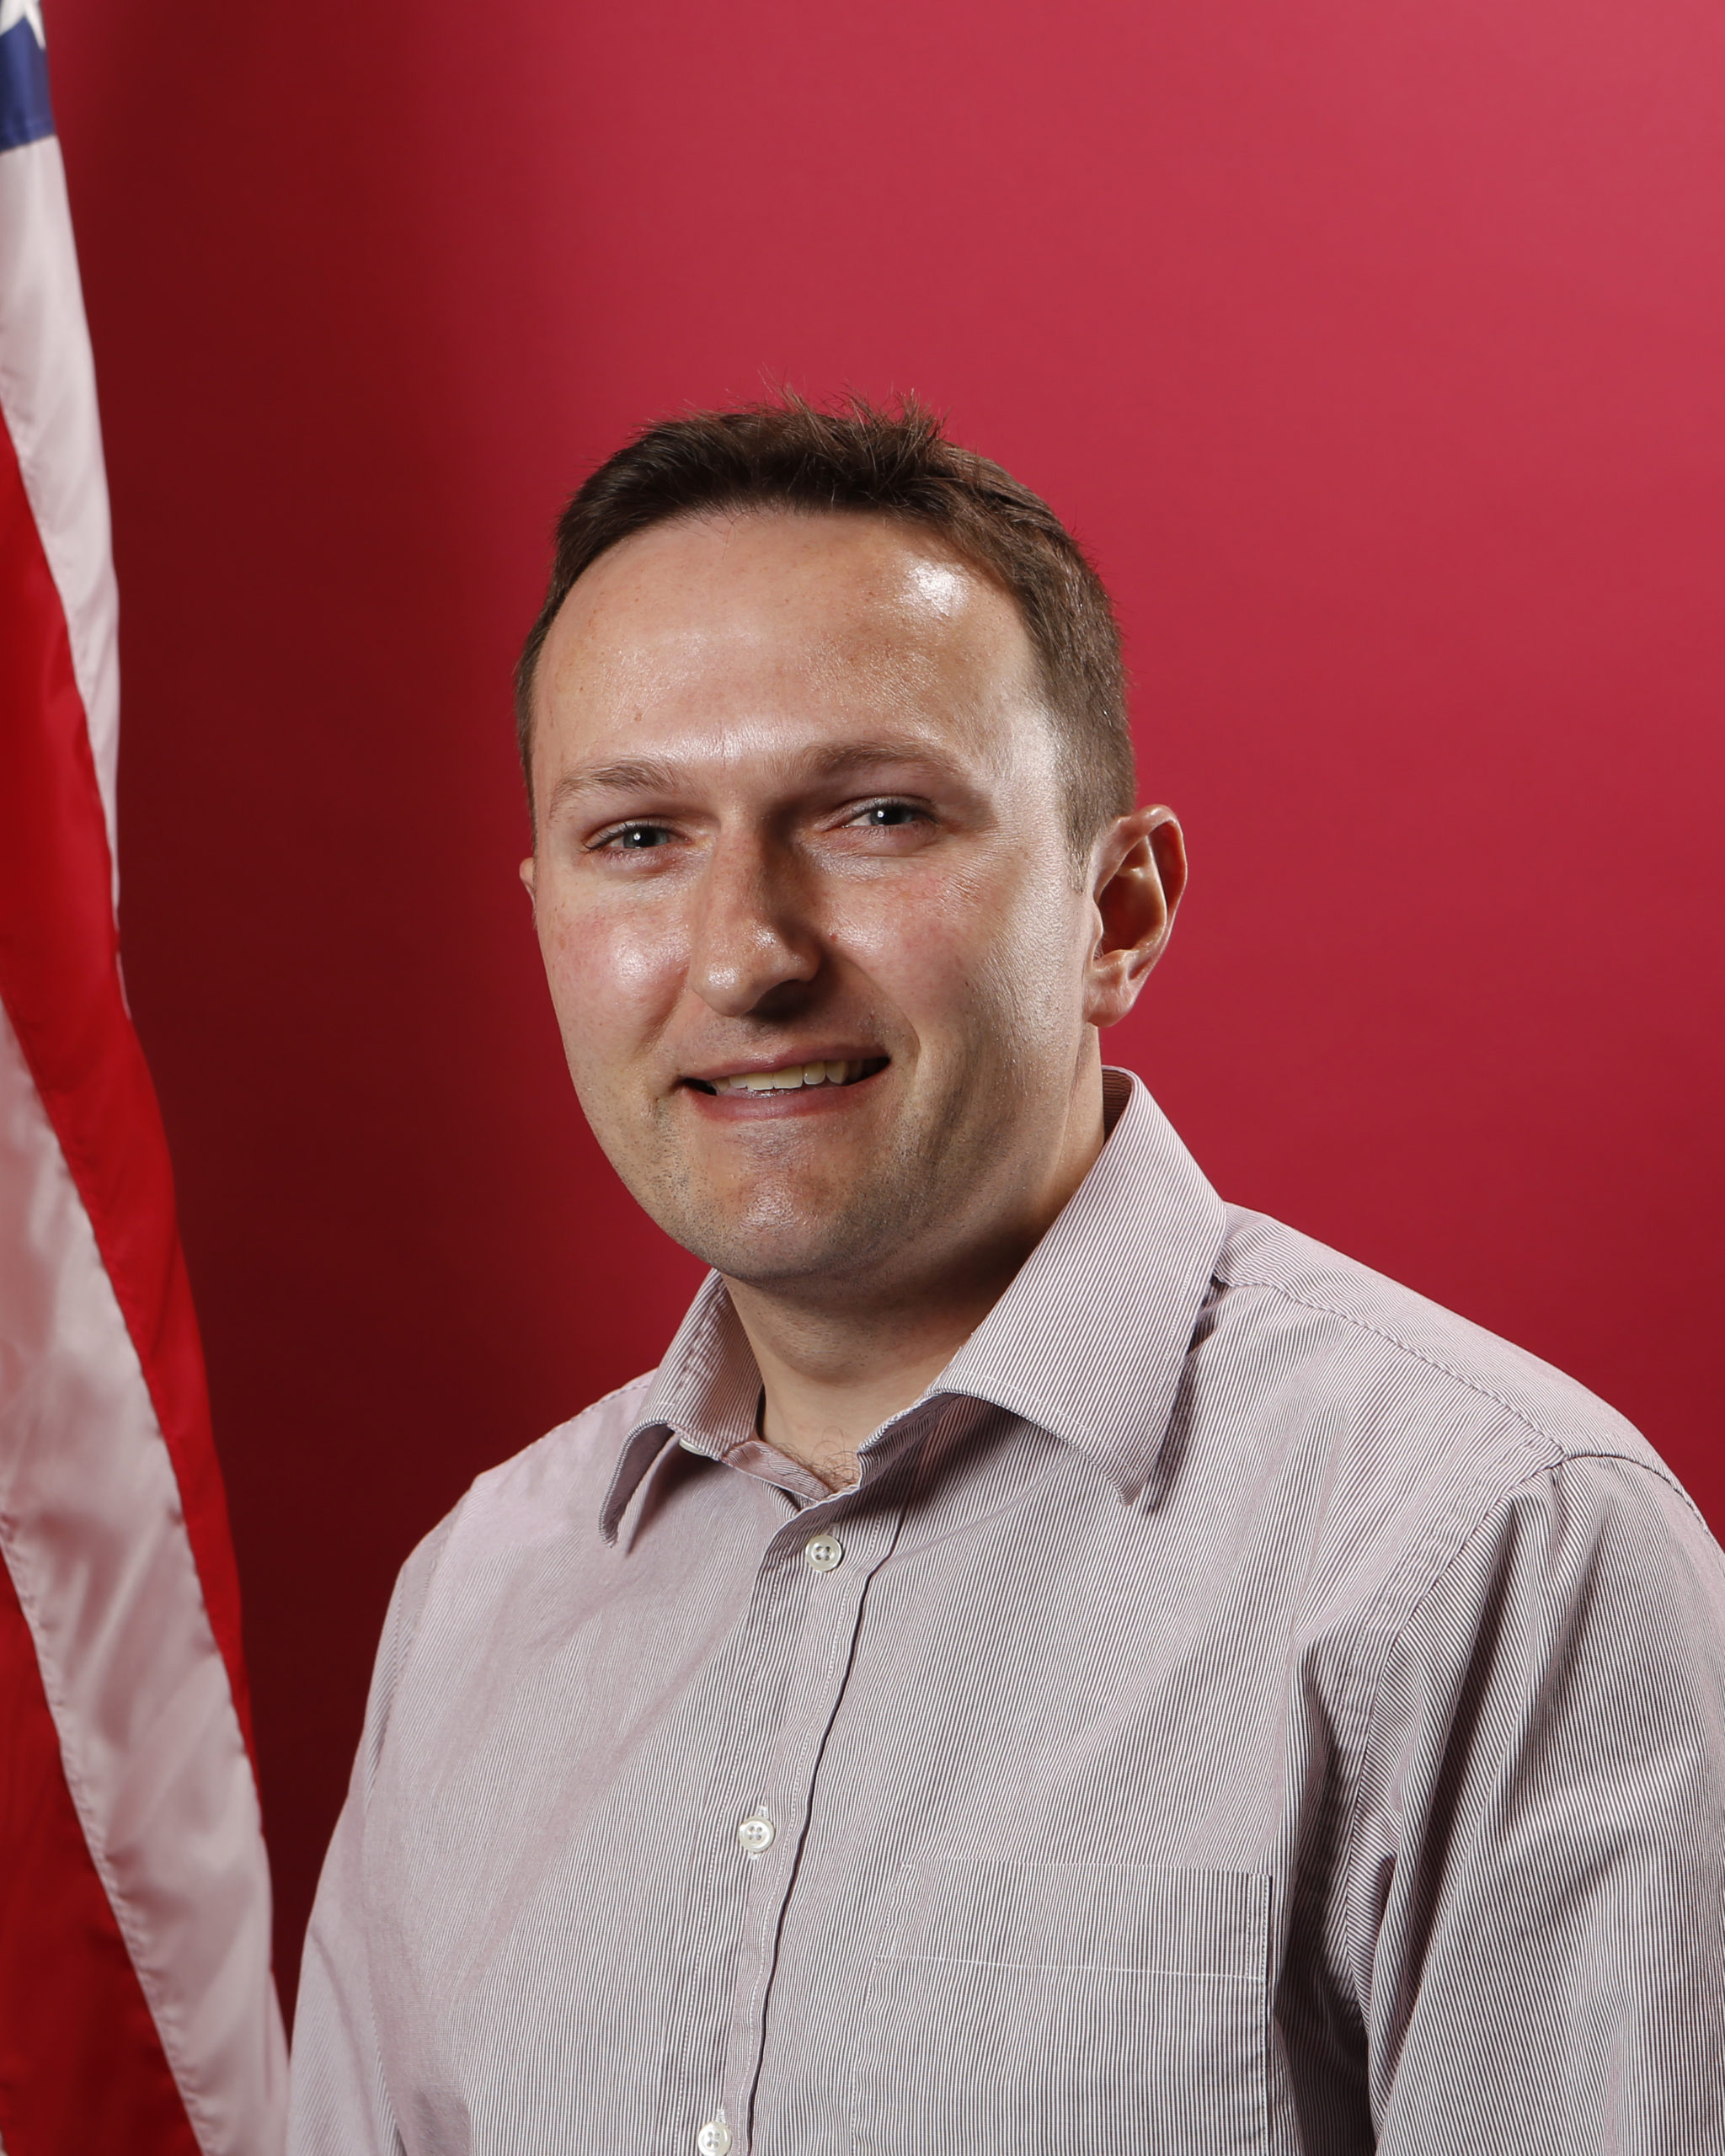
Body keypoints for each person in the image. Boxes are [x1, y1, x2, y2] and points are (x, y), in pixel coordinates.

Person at [286, 398, 1725, 2155]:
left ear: (1119, 913)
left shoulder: (1497, 1547)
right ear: (543, 916)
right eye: (640, 837)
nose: (744, 956)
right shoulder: (480, 1599)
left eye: (877, 814)